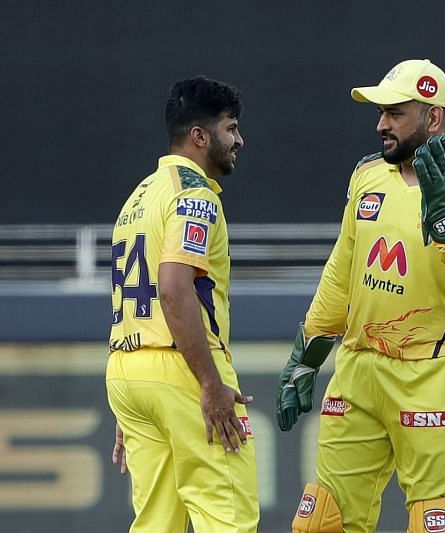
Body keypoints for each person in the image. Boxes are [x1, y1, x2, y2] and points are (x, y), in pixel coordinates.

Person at [276, 59, 445, 533]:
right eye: (381, 112)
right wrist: (307, 355)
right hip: (358, 368)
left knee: (434, 524)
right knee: (320, 523)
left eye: (396, 113)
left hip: (431, 373)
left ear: (434, 116)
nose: (381, 124)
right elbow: (342, 269)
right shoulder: (366, 175)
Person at [106, 76, 259, 532]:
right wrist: (209, 386)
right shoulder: (194, 195)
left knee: (156, 523)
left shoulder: (138, 196)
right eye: (230, 128)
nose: (238, 140)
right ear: (200, 135)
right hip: (183, 370)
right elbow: (174, 289)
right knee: (228, 517)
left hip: (128, 368)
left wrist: (146, 397)